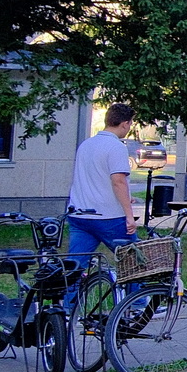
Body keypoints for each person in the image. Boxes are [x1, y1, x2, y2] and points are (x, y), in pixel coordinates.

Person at [67, 103, 139, 264]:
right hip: (109, 217)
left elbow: (96, 177)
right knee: (134, 264)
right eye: (130, 124)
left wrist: (127, 197)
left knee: (74, 267)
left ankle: (70, 289)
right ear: (125, 123)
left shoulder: (86, 145)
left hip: (80, 214)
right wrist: (129, 216)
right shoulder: (116, 147)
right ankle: (136, 290)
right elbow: (118, 182)